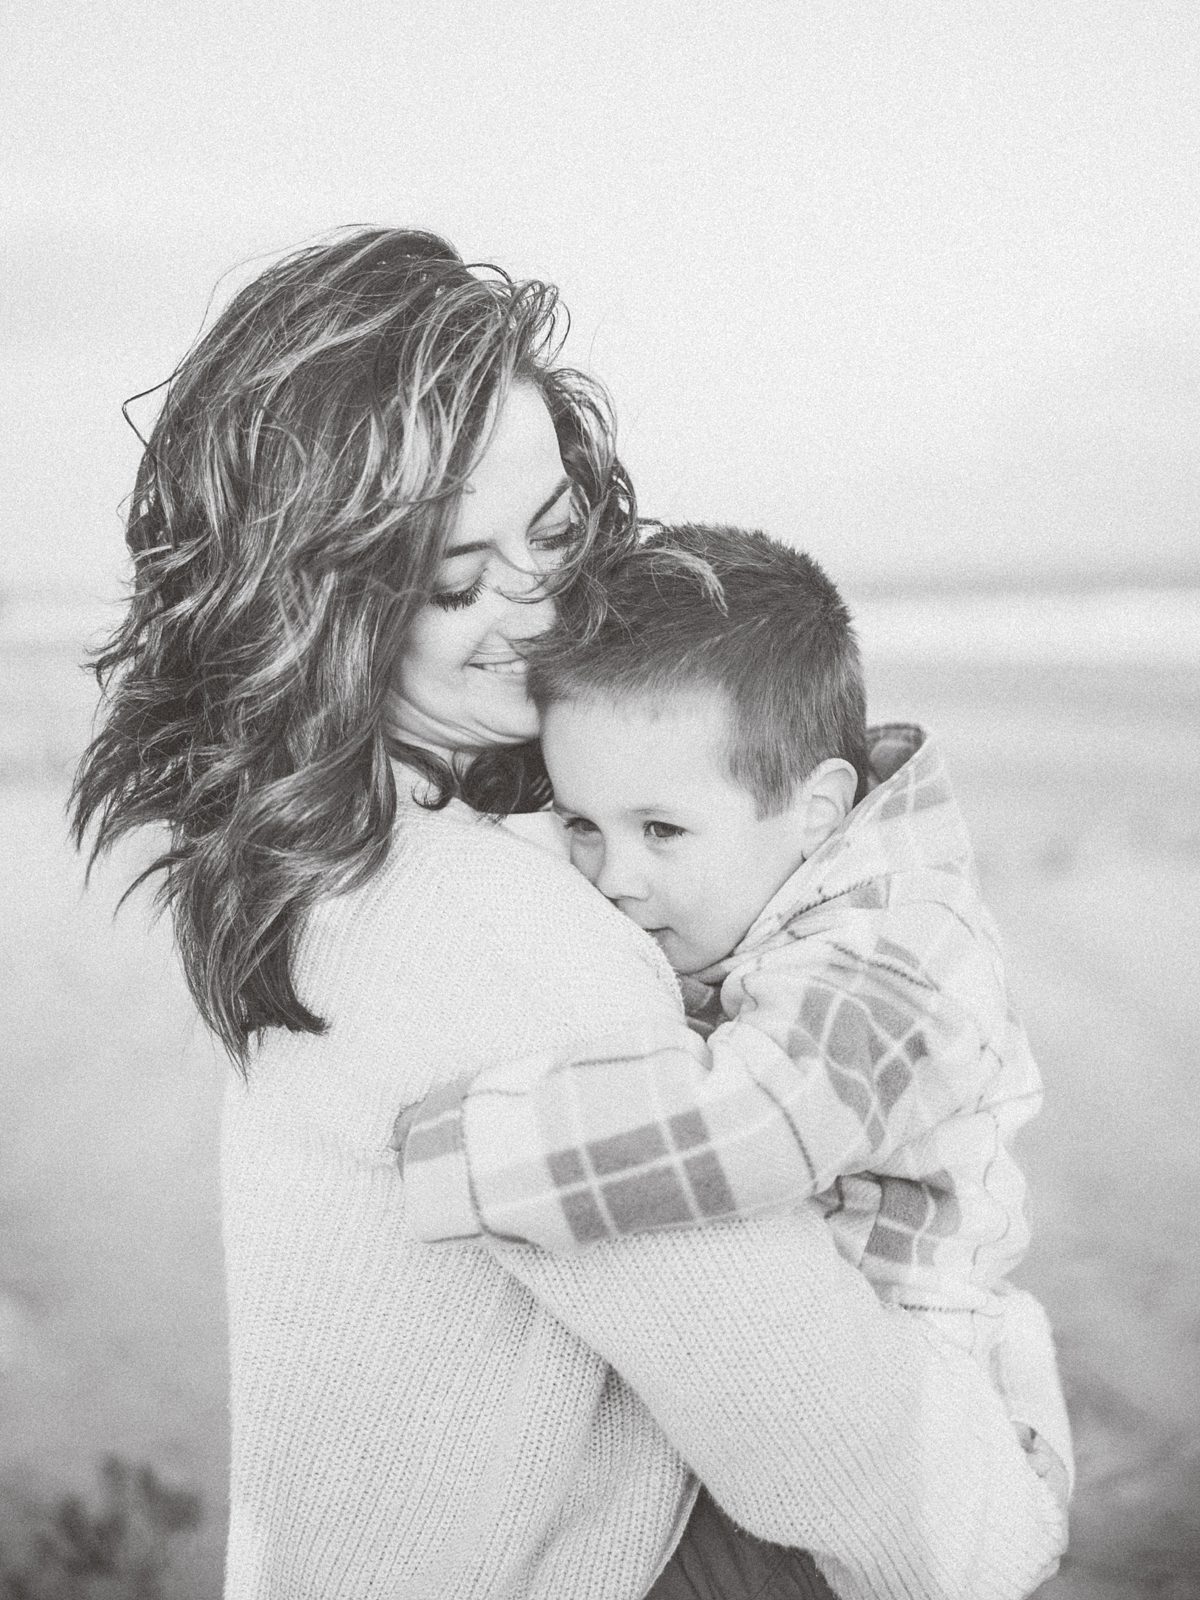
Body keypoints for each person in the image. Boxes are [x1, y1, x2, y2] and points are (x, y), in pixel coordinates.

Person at [71, 228, 1067, 1600]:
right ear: (311, 600)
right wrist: (1011, 1517)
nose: (537, 612)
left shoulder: (300, 860)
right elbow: (820, 1425)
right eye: (454, 580)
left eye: (551, 535)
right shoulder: (500, 937)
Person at [394, 523, 1073, 1510]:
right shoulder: (748, 870)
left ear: (818, 811)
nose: (616, 875)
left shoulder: (908, 943)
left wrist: (455, 1153)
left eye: (660, 830)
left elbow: (762, 1120)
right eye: (587, 822)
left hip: (916, 1408)